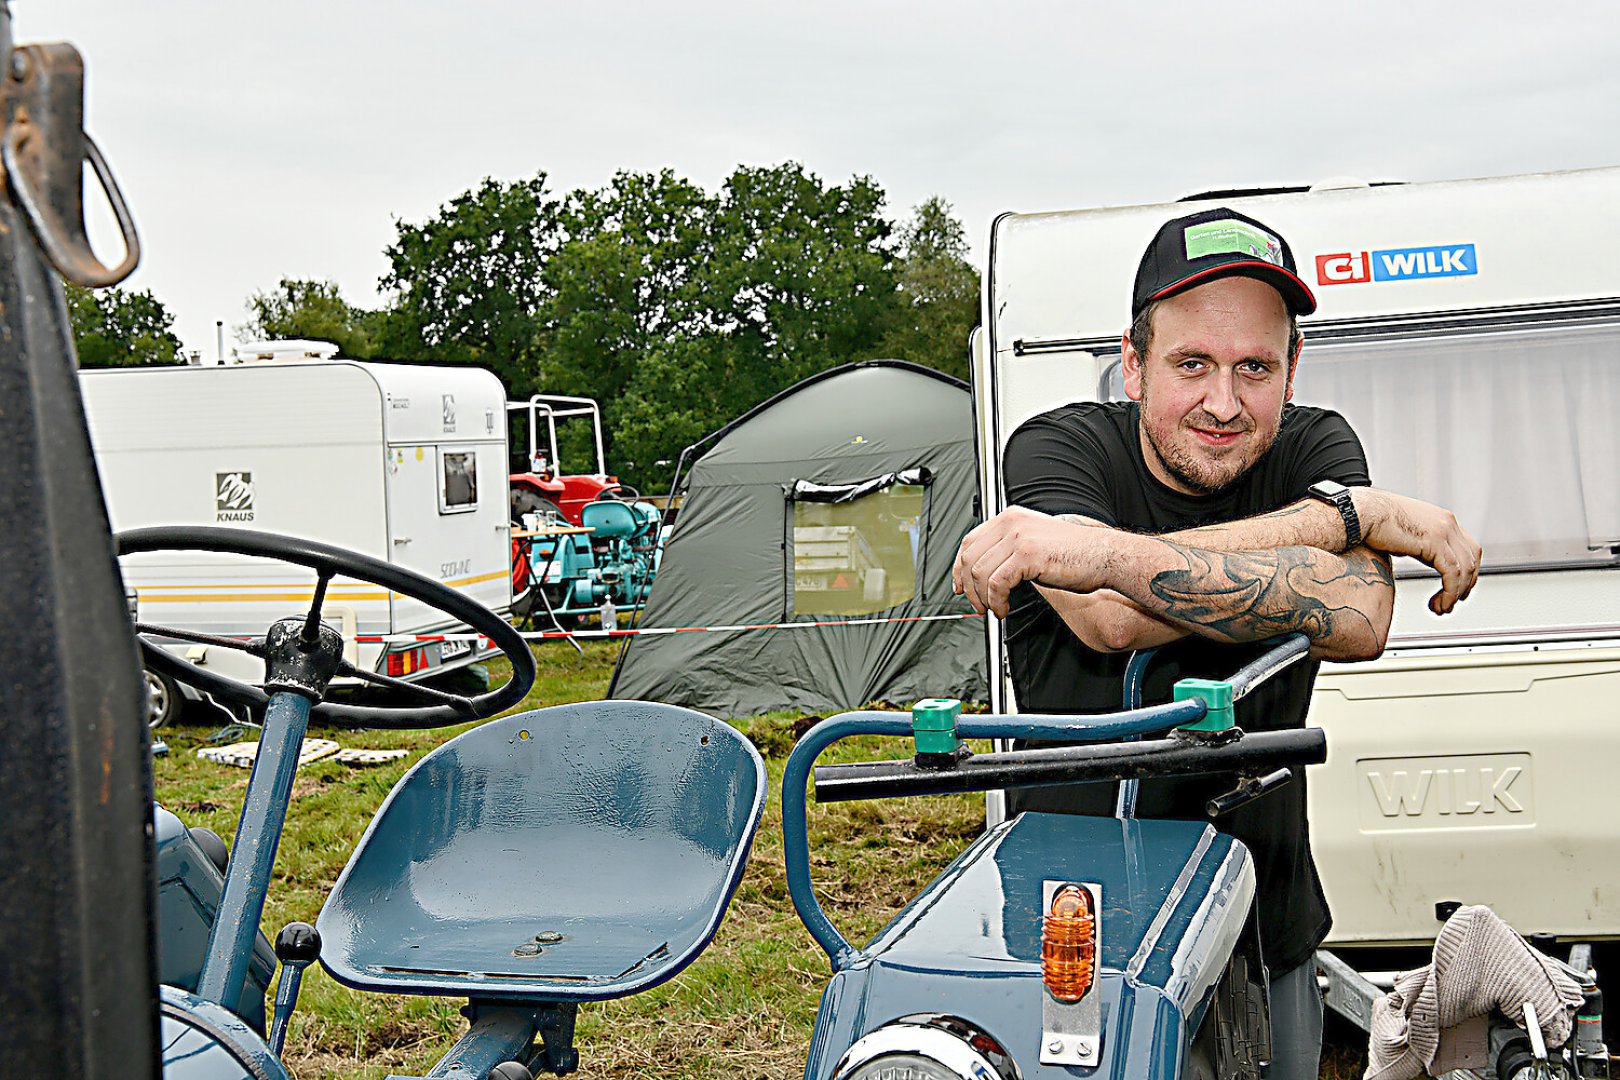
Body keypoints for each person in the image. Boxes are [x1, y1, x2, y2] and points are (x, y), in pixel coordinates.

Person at [953, 207, 1482, 1080]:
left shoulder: (1314, 445)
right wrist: (1349, 521)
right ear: (1132, 364)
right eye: (1191, 364)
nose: (1224, 403)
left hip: (1264, 923)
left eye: (1254, 368)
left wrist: (1106, 552)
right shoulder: (1058, 448)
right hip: (1079, 930)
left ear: (1292, 369)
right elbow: (1108, 621)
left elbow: (1361, 615)